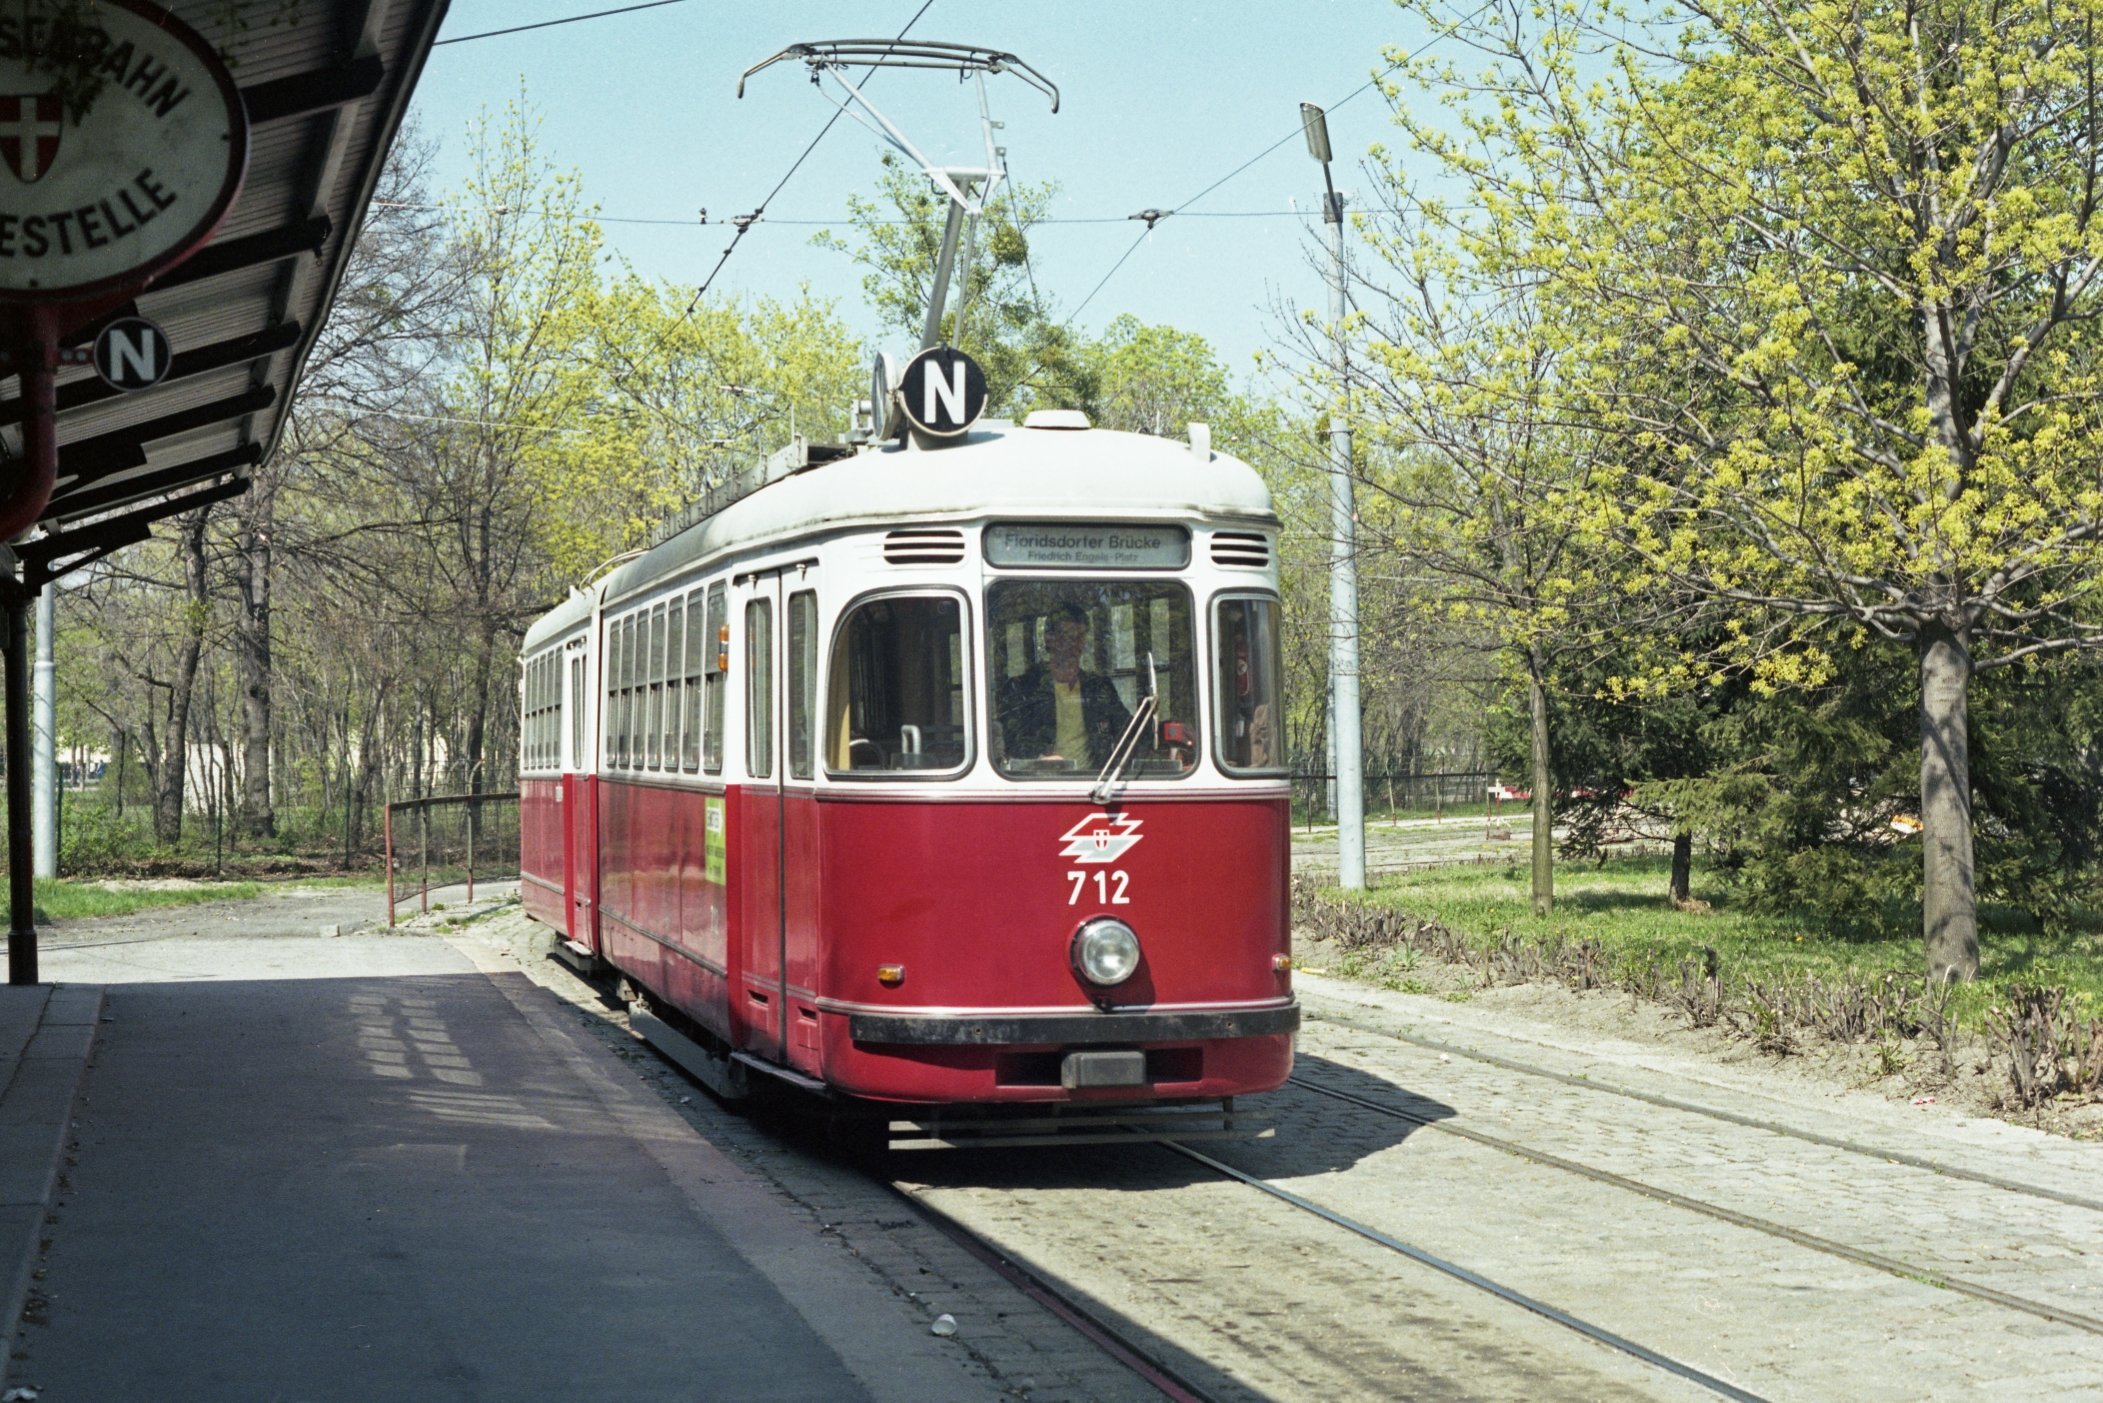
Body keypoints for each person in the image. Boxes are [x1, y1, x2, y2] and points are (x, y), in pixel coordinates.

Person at [996, 603, 1132, 769]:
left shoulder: (1099, 688)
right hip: (1041, 783)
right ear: (1048, 639)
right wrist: (1039, 759)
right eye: (1067, 636)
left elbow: (1128, 731)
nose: (1074, 644)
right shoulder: (1023, 688)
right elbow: (1011, 742)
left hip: (1095, 784)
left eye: (1080, 636)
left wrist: (1162, 739)